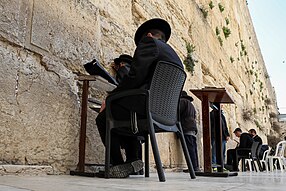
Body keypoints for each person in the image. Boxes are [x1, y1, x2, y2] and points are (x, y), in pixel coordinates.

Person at [95, 18, 183, 178]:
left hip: (145, 107)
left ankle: (117, 165)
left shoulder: (149, 43)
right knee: (125, 118)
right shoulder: (176, 58)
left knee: (104, 118)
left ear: (149, 35)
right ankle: (134, 161)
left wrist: (110, 99)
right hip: (166, 114)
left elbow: (135, 76)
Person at [180, 91, 199, 172]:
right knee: (193, 148)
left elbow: (178, 113)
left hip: (186, 126)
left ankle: (193, 168)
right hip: (192, 127)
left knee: (189, 149)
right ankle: (195, 167)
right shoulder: (191, 104)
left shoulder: (182, 102)